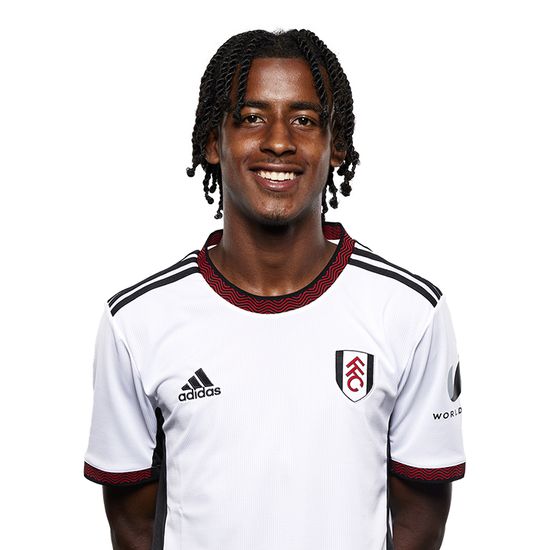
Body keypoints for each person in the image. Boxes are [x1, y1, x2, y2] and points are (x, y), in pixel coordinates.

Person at [84, 29, 465, 550]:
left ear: (337, 146)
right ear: (212, 143)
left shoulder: (409, 312)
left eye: (304, 119)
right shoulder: (137, 321)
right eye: (251, 117)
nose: (279, 141)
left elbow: (420, 524)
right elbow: (132, 526)